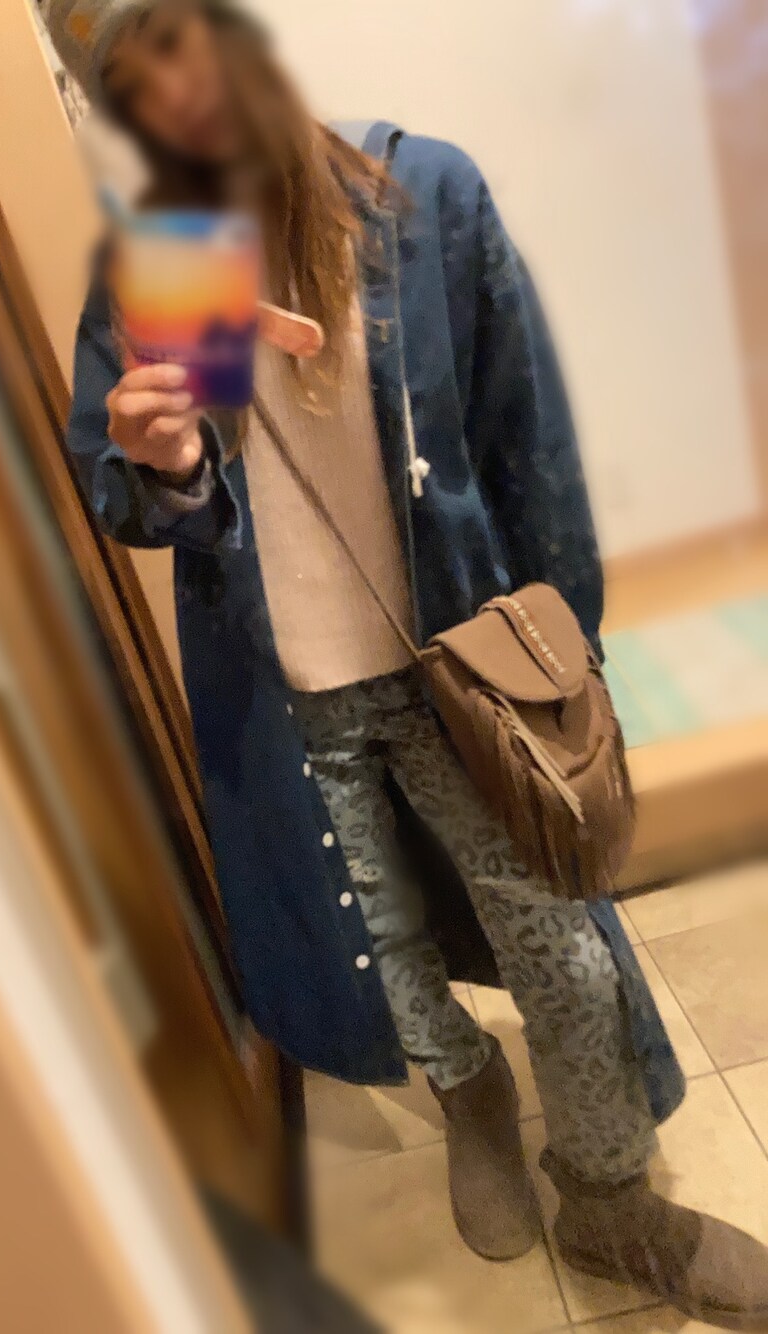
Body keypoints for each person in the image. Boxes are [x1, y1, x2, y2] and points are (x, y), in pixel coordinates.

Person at [49, 1, 768, 1325]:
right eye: (131, 86)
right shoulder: (154, 266)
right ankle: (471, 1094)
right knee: (385, 956)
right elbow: (124, 485)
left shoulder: (420, 197)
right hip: (291, 700)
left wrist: (569, 664)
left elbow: (527, 441)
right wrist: (165, 464)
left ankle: (611, 1199)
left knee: (569, 956)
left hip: (455, 676)